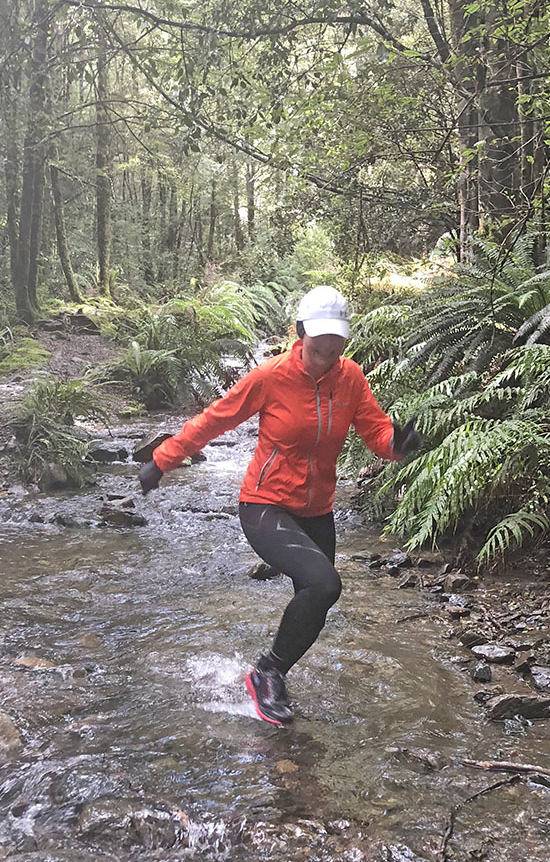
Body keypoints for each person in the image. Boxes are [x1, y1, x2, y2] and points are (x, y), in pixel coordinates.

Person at [138, 285, 420, 725]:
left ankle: (271, 673)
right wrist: (163, 459)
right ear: (300, 334)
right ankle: (266, 673)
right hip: (265, 505)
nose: (327, 352)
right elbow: (217, 418)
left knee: (316, 601)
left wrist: (398, 445)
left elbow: (375, 432)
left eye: (336, 344)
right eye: (319, 343)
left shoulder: (351, 378)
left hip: (318, 509)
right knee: (325, 584)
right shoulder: (270, 377)